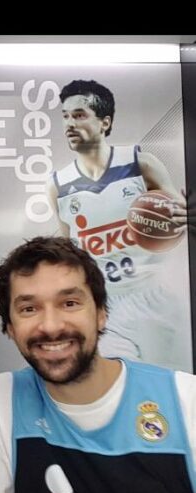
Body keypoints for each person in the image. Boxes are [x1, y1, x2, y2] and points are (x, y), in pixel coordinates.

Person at [0, 236, 196, 493]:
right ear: (10, 328)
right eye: (29, 308)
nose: (51, 326)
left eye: (70, 303)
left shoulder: (186, 400)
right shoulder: (1, 400)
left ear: (101, 313)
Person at [46, 79, 188, 369]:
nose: (69, 124)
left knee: (172, 383)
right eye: (65, 116)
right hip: (106, 305)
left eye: (79, 115)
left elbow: (180, 219)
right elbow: (72, 253)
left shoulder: (140, 164)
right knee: (119, 383)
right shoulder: (58, 185)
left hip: (155, 294)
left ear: (105, 122)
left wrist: (182, 217)